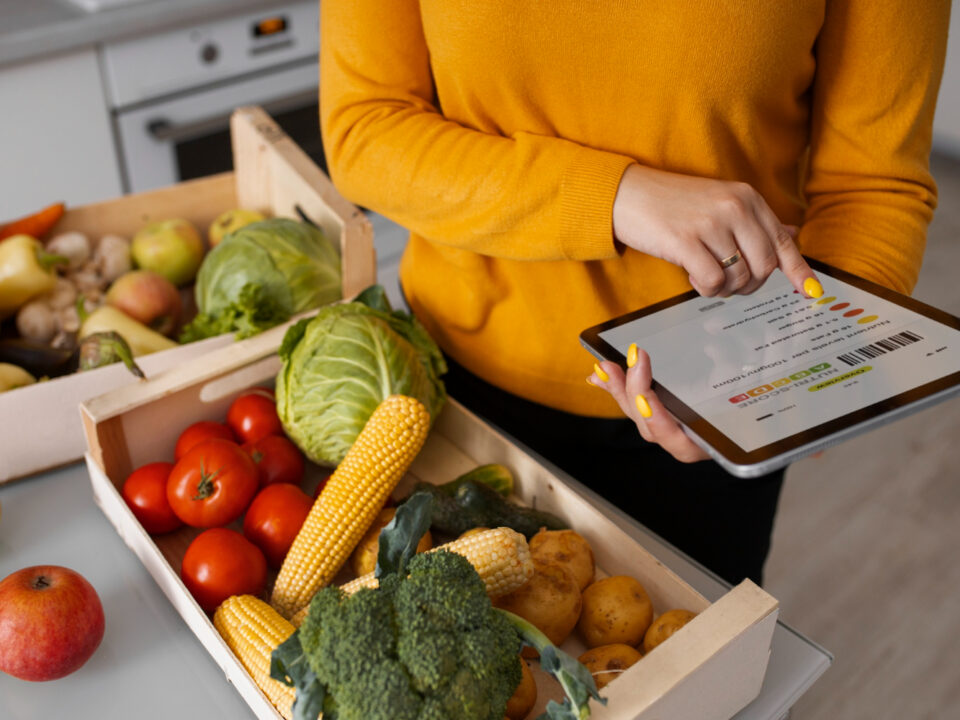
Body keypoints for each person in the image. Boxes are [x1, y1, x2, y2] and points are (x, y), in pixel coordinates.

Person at [318, 2, 950, 585]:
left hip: (712, 416)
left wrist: (801, 371)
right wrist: (617, 198)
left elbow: (873, 189)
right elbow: (364, 128)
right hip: (451, 392)